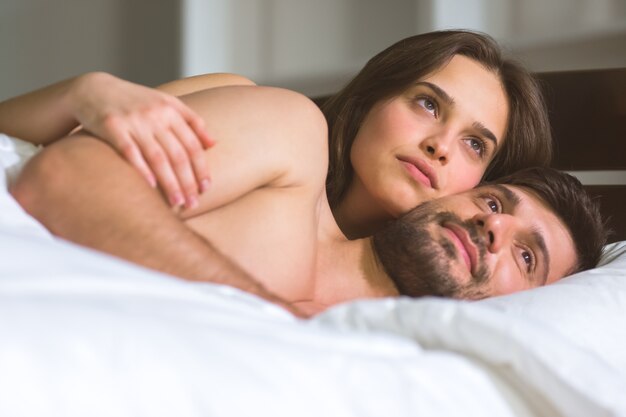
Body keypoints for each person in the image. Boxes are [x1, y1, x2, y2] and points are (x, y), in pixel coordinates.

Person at [9, 84, 606, 317]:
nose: (491, 228)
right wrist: (273, 315)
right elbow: (59, 174)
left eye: (526, 258)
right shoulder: (292, 143)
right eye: (496, 205)